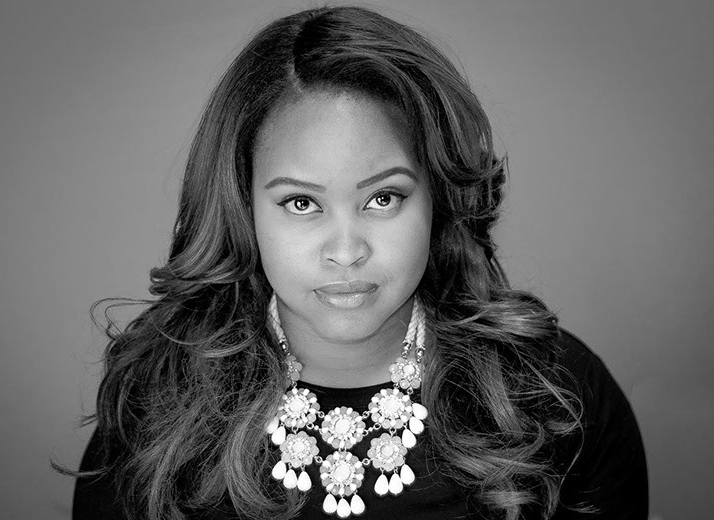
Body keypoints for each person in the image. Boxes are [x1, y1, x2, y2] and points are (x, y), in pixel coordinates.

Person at [70, 5, 648, 520]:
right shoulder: (158, 397)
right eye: (301, 203)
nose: (346, 251)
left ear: (437, 198)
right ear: (243, 208)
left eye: (383, 198)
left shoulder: (556, 394)